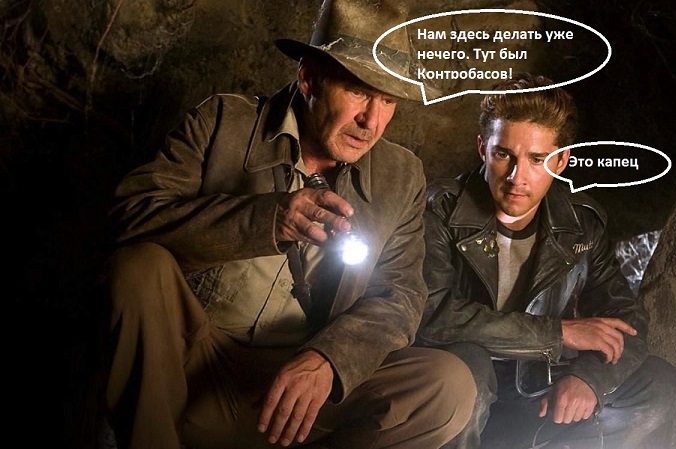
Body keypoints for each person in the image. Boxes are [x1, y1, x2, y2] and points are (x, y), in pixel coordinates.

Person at [100, 1, 476, 448]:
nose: (371, 122)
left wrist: (329, 359)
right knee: (138, 267)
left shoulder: (402, 175)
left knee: (446, 385)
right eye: (358, 91)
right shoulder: (223, 123)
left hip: (297, 386)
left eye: (388, 101)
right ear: (309, 77)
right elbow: (130, 217)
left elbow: (402, 297)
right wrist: (267, 218)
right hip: (186, 365)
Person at [416, 74, 676, 449]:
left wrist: (588, 379)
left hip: (538, 386)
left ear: (560, 160)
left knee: (657, 382)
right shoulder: (440, 209)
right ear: (482, 149)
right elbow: (432, 316)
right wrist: (558, 334)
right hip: (466, 385)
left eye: (537, 160)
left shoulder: (581, 224)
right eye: (503, 155)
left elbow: (627, 322)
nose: (517, 177)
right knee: (467, 367)